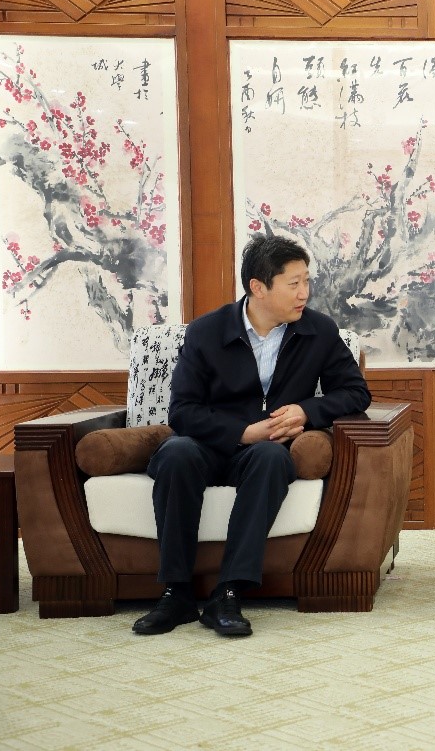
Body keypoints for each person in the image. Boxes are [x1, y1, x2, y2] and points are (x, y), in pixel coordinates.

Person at [132, 236, 371, 637]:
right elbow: (183, 411)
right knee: (175, 454)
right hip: (207, 445)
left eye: (306, 281)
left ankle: (228, 593)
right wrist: (242, 432)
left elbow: (355, 392)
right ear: (258, 287)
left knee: (272, 457)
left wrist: (306, 411)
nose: (304, 293)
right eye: (293, 283)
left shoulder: (318, 330)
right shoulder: (207, 332)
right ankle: (176, 593)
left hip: (265, 450)